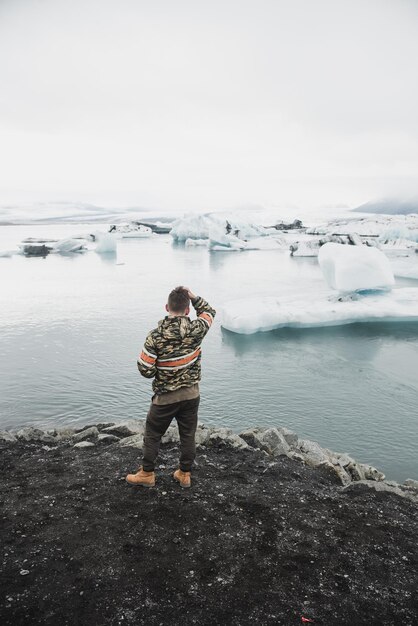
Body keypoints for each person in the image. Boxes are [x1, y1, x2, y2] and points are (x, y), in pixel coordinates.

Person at [126, 286, 216, 489]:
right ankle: (184, 474)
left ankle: (147, 474)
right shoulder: (196, 330)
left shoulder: (155, 336)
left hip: (165, 398)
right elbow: (209, 312)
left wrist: (163, 368)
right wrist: (194, 297)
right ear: (187, 310)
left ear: (167, 307)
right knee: (188, 435)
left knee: (153, 435)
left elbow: (145, 369)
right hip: (191, 394)